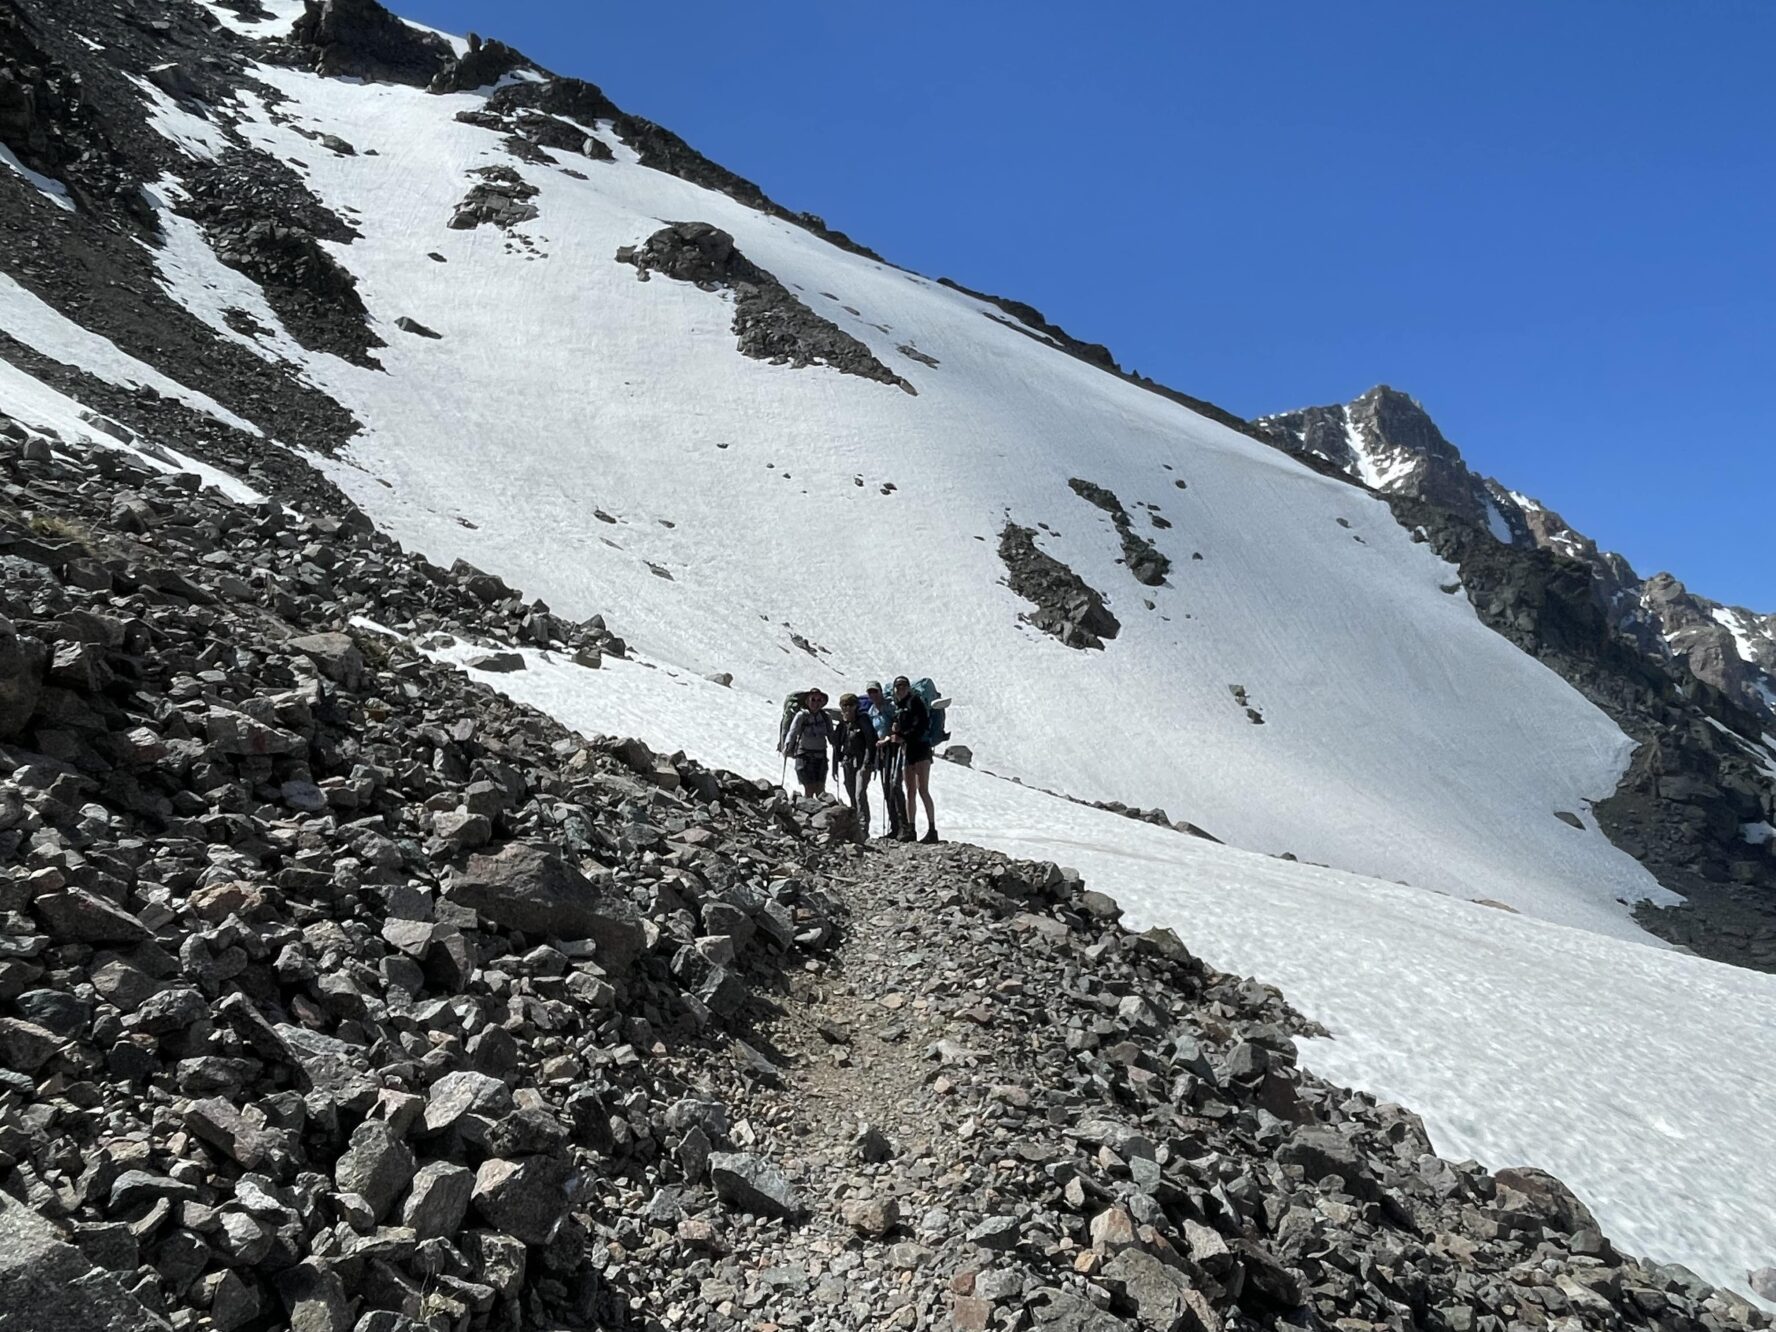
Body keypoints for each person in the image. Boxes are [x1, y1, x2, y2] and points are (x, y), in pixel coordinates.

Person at [888, 675, 937, 843]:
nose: (900, 689)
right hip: (910, 750)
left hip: (920, 749)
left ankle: (931, 829)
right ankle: (912, 829)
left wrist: (902, 736)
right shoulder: (900, 707)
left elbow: (920, 725)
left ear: (908, 688)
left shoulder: (914, 702)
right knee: (911, 791)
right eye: (898, 686)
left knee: (921, 789)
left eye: (903, 686)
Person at [864, 680, 907, 839]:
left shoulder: (890, 707)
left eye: (875, 691)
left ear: (881, 691)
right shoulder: (872, 710)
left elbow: (897, 725)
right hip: (882, 752)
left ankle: (904, 826)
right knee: (886, 787)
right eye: (870, 692)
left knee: (895, 784)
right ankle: (894, 827)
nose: (873, 695)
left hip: (894, 749)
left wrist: (888, 738)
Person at [831, 693, 876, 835]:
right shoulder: (842, 724)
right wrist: (834, 766)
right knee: (852, 793)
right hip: (847, 763)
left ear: (856, 706)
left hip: (862, 763)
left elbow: (870, 742)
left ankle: (863, 827)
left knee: (859, 793)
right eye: (844, 705)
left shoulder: (863, 721)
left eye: (850, 705)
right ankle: (856, 826)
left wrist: (867, 762)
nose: (847, 708)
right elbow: (836, 746)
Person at [781, 688, 834, 797]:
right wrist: (787, 746)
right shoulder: (801, 716)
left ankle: (815, 811)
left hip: (821, 756)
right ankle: (809, 809)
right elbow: (793, 732)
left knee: (820, 789)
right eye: (813, 699)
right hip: (804, 756)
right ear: (807, 701)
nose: (816, 703)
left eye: (819, 700)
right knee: (809, 788)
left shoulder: (825, 717)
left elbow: (831, 736)